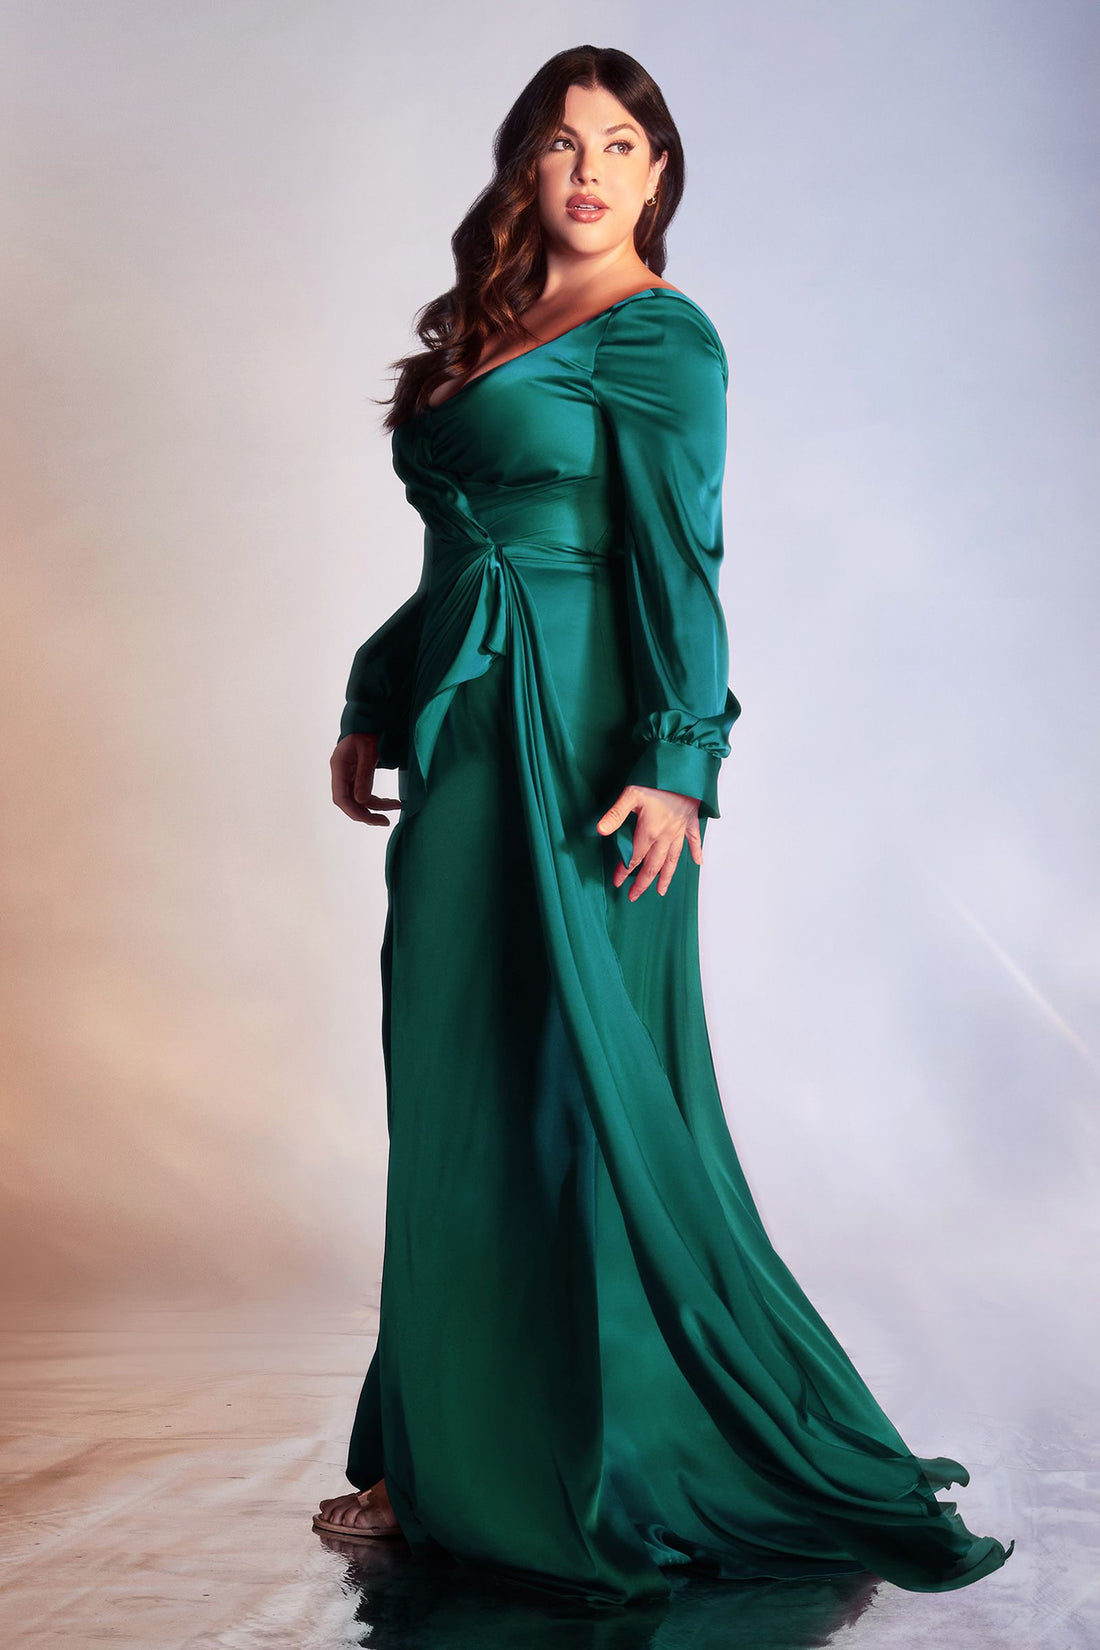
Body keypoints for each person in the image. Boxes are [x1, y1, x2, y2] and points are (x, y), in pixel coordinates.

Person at [313, 44, 1015, 1607]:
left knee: (580, 1094)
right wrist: (375, 691)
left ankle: (602, 1452)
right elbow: (464, 553)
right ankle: (433, 1449)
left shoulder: (662, 338)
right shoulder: (492, 328)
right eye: (564, 143)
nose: (590, 170)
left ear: (660, 173)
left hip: (589, 753)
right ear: (524, 165)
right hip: (467, 741)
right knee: (457, 1085)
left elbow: (679, 558)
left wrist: (681, 761)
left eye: (622, 144)